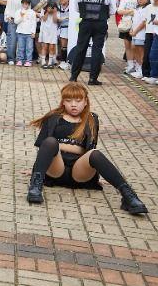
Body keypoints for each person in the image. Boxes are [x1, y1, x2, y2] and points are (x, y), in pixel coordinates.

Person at [26, 82, 147, 215]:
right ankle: (35, 186)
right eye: (68, 100)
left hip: (79, 172)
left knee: (95, 154)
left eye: (78, 100)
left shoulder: (91, 119)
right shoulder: (54, 118)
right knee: (50, 142)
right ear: (63, 103)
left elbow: (89, 151)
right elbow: (44, 146)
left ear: (85, 102)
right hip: (56, 169)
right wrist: (37, 168)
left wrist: (61, 146)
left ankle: (128, 195)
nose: (73, 104)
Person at [68, 0, 117, 85]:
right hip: (100, 24)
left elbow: (76, 8)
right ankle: (92, 79)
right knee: (97, 50)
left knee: (80, 49)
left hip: (85, 23)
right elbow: (112, 11)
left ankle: (74, 77)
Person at [117, 0, 139, 75]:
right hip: (126, 24)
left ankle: (137, 65)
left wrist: (127, 12)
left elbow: (139, 11)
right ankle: (130, 65)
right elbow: (119, 11)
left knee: (135, 46)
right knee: (127, 45)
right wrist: (131, 11)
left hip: (136, 25)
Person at [13, 0, 37, 67]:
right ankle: (20, 60)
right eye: (23, 3)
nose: (25, 5)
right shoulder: (18, 12)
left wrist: (33, 32)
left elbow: (34, 23)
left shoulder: (32, 12)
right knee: (20, 47)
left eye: (26, 4)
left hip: (29, 33)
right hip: (20, 32)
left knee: (29, 48)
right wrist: (21, 16)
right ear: (21, 4)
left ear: (29, 4)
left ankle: (28, 61)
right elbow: (16, 22)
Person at [38, 2, 60, 69]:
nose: (51, 8)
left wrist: (54, 12)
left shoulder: (57, 12)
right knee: (44, 46)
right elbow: (44, 19)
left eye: (52, 7)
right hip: (45, 31)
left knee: (52, 47)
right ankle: (43, 62)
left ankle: (50, 62)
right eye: (49, 6)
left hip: (53, 31)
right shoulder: (43, 11)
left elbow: (55, 21)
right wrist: (47, 12)